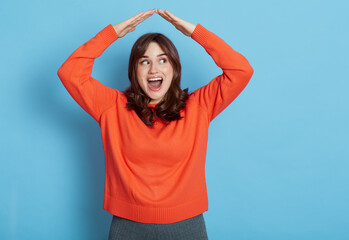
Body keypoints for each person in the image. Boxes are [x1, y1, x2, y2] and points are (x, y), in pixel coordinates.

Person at [57, 8, 254, 240]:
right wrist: (113, 33)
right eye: (144, 62)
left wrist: (194, 33)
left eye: (163, 60)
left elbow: (241, 70)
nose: (154, 69)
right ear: (134, 70)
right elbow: (70, 72)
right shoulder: (112, 107)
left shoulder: (198, 106)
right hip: (127, 227)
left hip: (187, 226)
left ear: (174, 68)